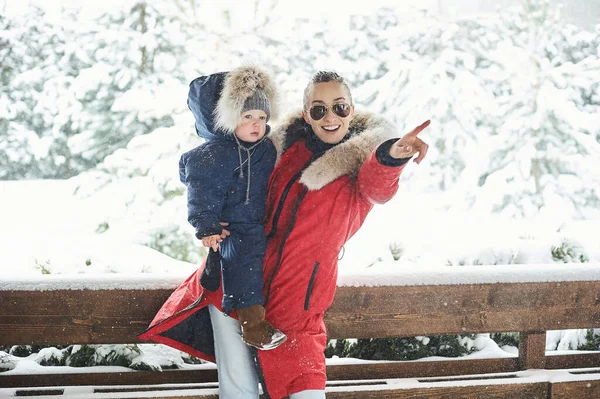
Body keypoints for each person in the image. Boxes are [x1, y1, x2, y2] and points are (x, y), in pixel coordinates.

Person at [139, 70, 430, 399]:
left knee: (305, 388)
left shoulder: (360, 165)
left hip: (297, 302)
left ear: (352, 109)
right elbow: (224, 175)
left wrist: (393, 155)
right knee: (239, 392)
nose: (330, 116)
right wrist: (213, 219)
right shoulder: (276, 149)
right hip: (234, 284)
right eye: (318, 109)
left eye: (339, 107)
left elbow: (379, 186)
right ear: (306, 113)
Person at [178, 64, 286, 350]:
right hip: (231, 227)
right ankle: (254, 327)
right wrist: (207, 226)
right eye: (247, 116)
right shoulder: (213, 154)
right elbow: (201, 191)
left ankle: (217, 274)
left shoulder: (263, 148)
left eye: (262, 117)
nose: (256, 124)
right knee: (245, 268)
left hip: (253, 223)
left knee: (250, 266)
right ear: (227, 119)